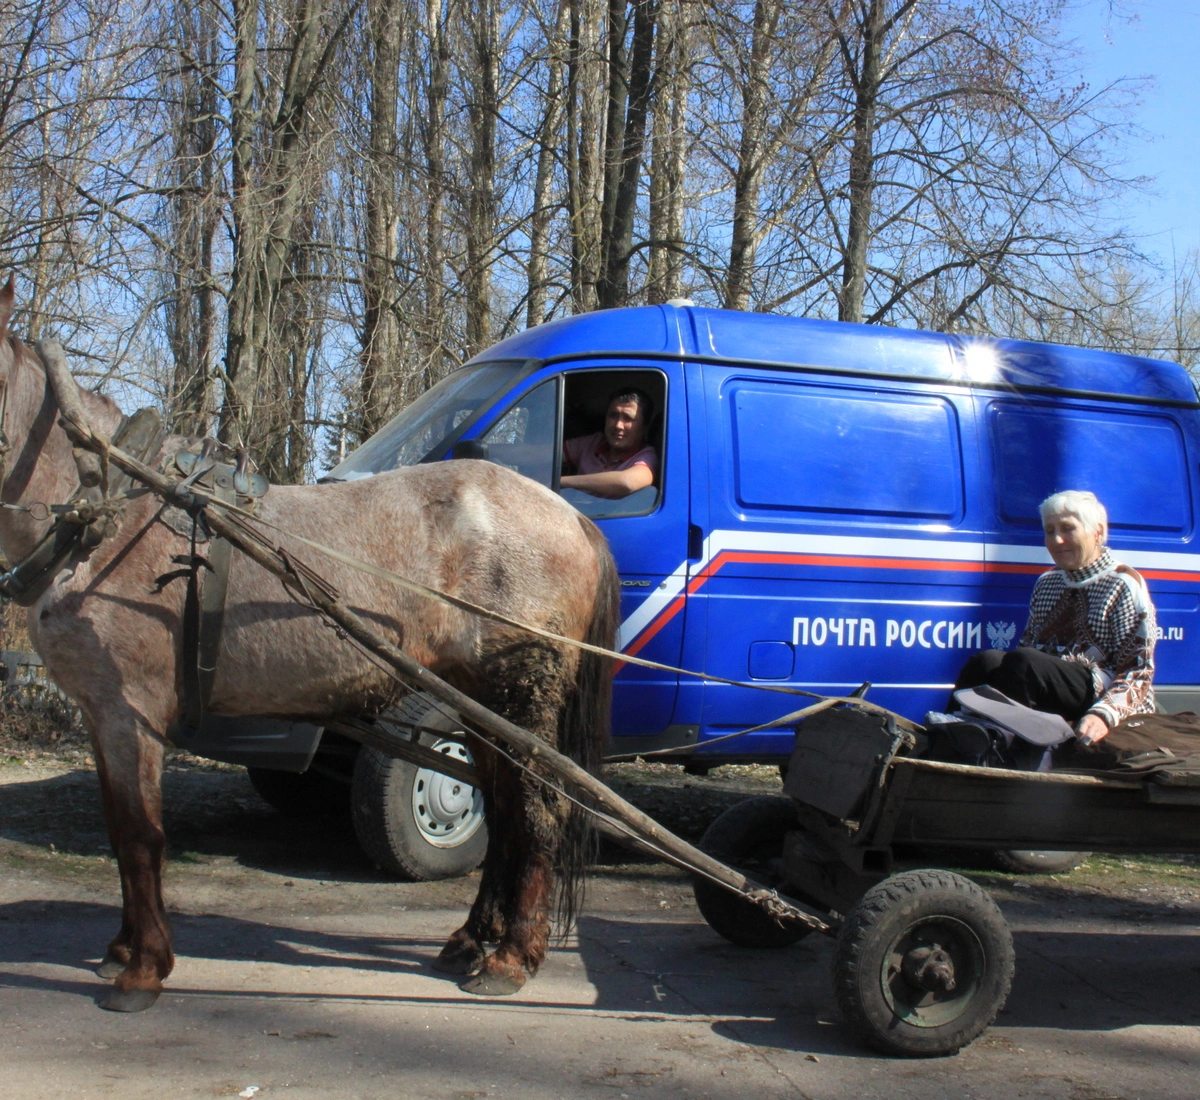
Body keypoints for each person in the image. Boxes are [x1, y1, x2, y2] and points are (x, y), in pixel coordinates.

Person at [953, 490, 1156, 746]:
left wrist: (1103, 715)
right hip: (1046, 680)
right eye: (1050, 531)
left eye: (1068, 529)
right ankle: (951, 735)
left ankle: (1004, 748)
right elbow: (1027, 648)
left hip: (1101, 688)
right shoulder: (1047, 583)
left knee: (1025, 663)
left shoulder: (1123, 583)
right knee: (987, 661)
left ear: (1098, 532)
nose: (1057, 540)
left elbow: (1138, 671)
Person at [560, 387, 658, 499]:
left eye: (628, 418)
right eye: (613, 415)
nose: (618, 425)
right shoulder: (594, 442)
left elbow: (627, 483)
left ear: (644, 427)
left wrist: (561, 481)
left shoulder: (647, 456)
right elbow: (547, 454)